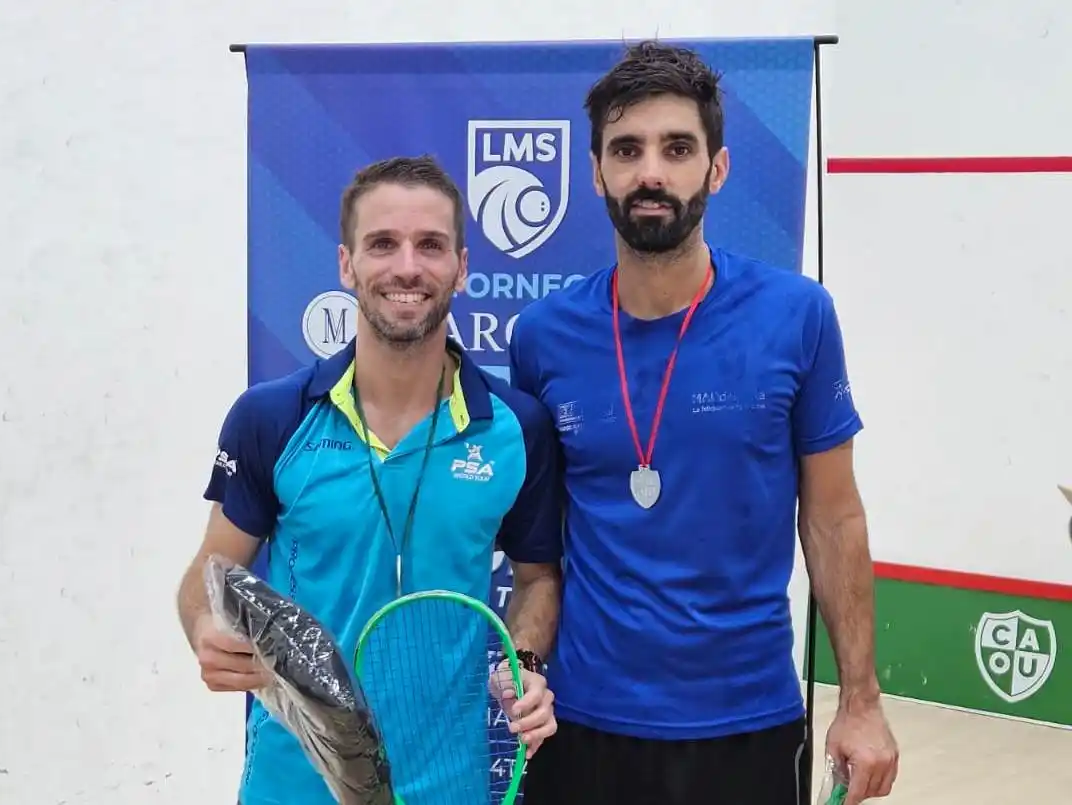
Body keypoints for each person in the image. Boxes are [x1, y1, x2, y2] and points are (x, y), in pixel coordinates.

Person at [508, 42, 899, 805]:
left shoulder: (798, 315)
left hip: (747, 724)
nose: (651, 172)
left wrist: (861, 699)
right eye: (627, 150)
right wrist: (524, 658)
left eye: (677, 148)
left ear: (716, 169)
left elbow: (833, 515)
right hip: (582, 726)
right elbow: (538, 553)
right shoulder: (542, 336)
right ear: (596, 172)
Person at [176, 155, 564, 805]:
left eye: (430, 245)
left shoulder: (517, 428)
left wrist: (522, 662)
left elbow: (538, 578)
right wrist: (203, 631)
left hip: (449, 787)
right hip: (293, 786)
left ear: (462, 267)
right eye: (382, 243)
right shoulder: (271, 417)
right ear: (346, 265)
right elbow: (207, 573)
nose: (407, 267)